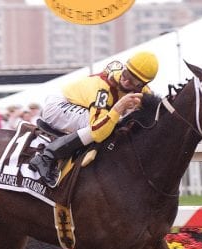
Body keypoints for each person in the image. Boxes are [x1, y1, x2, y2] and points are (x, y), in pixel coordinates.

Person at [29, 51, 158, 187]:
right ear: (124, 68)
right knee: (105, 127)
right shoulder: (103, 88)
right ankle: (46, 157)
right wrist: (118, 108)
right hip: (58, 105)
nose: (126, 81)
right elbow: (97, 131)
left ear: (142, 85)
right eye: (126, 74)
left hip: (79, 104)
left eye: (133, 81)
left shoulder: (142, 90)